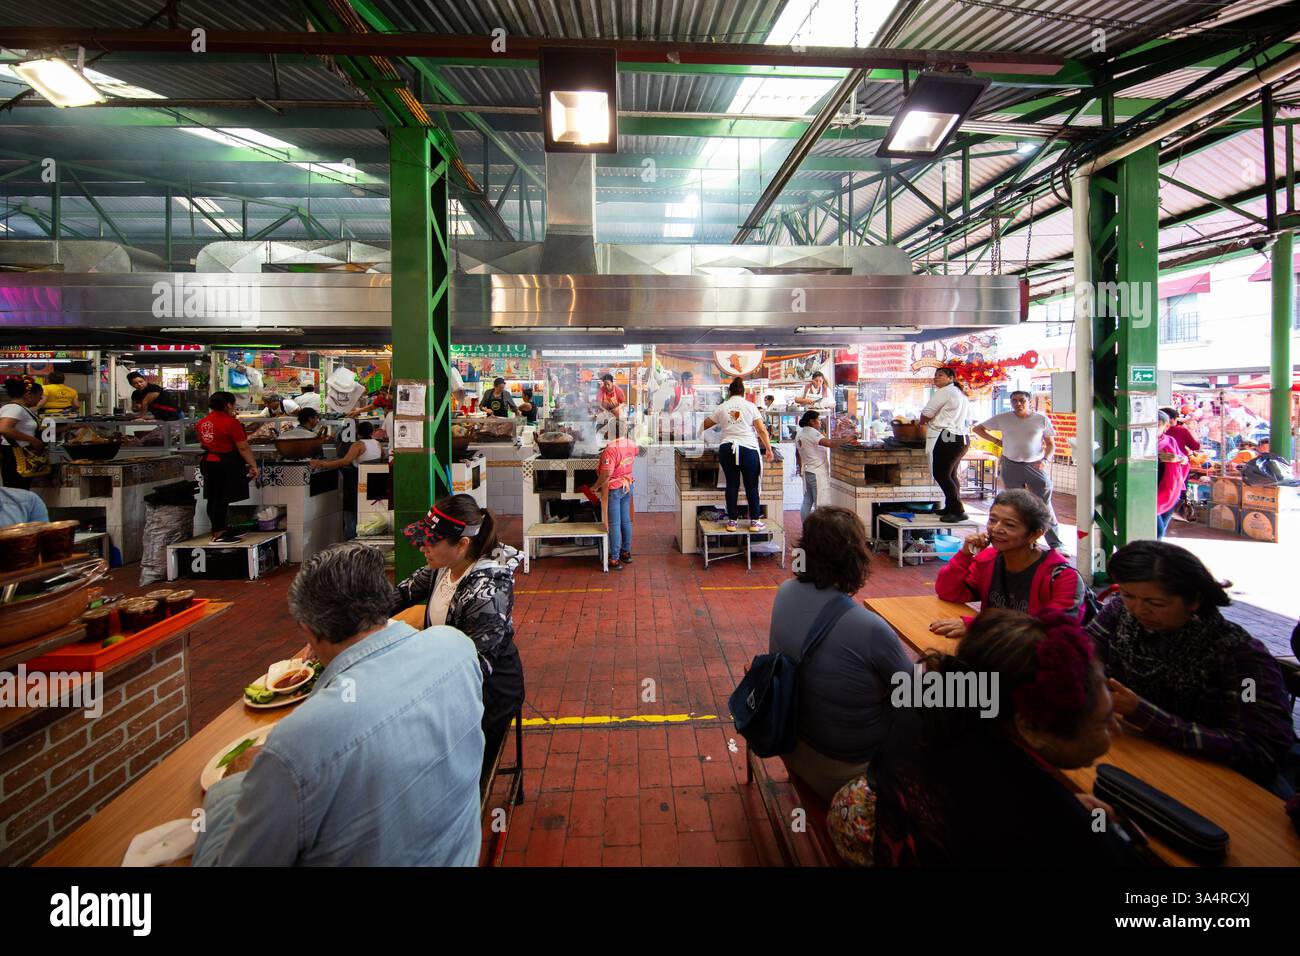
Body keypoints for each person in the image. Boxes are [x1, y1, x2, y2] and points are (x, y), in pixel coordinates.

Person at [193, 542, 485, 865]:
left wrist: (231, 786)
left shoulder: (295, 746)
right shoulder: (456, 648)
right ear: (382, 601)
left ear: (309, 631)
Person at [872, 609, 1142, 866]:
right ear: (1030, 728)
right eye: (1104, 722)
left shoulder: (921, 714)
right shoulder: (1063, 832)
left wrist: (1066, 806)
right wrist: (1093, 821)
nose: (1115, 732)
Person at [1087, 541, 1296, 791]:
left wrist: (1142, 712)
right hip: (1145, 752)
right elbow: (1086, 650)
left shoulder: (1241, 658)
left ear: (1194, 600)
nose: (1138, 609)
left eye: (1156, 603)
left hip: (1223, 782)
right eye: (1128, 595)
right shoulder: (1121, 614)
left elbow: (1259, 751)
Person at [768, 506, 913, 801]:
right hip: (843, 772)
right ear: (855, 557)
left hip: (794, 745)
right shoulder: (870, 628)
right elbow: (916, 694)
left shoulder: (784, 592)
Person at [394, 495, 525, 788]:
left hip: (490, 690)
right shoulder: (442, 565)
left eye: (430, 541)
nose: (422, 547)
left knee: (454, 766)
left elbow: (476, 668)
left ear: (462, 544)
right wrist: (347, 625)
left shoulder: (487, 590)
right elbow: (401, 594)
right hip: (448, 671)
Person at [931, 489, 1085, 638]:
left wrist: (979, 627)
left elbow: (1051, 630)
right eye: (992, 520)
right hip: (994, 650)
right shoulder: (988, 560)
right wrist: (965, 555)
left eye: (1009, 525)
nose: (996, 529)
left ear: (1035, 534)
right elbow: (948, 592)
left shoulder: (1063, 578)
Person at [972, 391, 1063, 550]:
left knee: (1044, 503)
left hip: (1035, 465)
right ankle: (1024, 541)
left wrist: (1045, 460)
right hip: (1010, 464)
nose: (1018, 403)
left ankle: (1056, 544)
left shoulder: (1041, 419)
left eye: (1022, 400)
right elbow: (978, 429)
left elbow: (1050, 444)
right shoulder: (1003, 418)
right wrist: (997, 441)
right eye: (1014, 400)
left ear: (1029, 401)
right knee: (1016, 505)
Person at [702, 377, 774, 533]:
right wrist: (769, 448)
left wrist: (691, 432)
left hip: (727, 448)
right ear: (744, 392)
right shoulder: (750, 406)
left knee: (732, 485)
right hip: (748, 449)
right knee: (751, 486)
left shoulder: (722, 407)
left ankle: (732, 522)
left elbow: (705, 424)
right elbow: (761, 430)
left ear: (729, 392)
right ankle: (755, 522)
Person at [196, 392, 259, 543]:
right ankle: (218, 533)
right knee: (221, 499)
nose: (234, 406)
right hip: (224, 463)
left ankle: (219, 529)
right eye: (233, 404)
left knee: (213, 497)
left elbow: (202, 443)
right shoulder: (231, 423)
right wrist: (253, 464)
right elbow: (243, 447)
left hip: (208, 462)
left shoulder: (202, 422)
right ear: (228, 405)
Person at [309, 421, 385, 539]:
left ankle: (352, 537)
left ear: (358, 433)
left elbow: (345, 461)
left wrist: (322, 464)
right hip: (374, 483)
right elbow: (382, 457)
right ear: (371, 432)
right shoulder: (377, 444)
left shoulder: (358, 445)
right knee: (366, 510)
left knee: (351, 509)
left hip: (357, 481)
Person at [918, 367, 971, 522]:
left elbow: (927, 412)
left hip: (947, 435)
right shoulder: (959, 393)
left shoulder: (945, 391)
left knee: (941, 474)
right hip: (961, 437)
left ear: (951, 378)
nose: (936, 378)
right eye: (935, 375)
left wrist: (921, 424)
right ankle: (951, 506)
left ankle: (957, 510)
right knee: (951, 474)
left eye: (940, 375)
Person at [592, 418, 638, 570]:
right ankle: (626, 552)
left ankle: (615, 558)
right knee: (625, 521)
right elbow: (632, 455)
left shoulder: (610, 449)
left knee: (615, 523)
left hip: (614, 489)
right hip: (627, 485)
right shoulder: (631, 444)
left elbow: (606, 474)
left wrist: (595, 486)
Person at [795, 409, 839, 523]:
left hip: (807, 471)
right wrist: (847, 440)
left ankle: (806, 529)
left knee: (807, 501)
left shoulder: (800, 433)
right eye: (818, 420)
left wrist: (800, 468)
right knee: (820, 505)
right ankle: (819, 532)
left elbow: (797, 454)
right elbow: (830, 443)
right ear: (812, 421)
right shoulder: (812, 433)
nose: (820, 422)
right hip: (816, 473)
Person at [1, 379, 45, 491]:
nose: (40, 399)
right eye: (39, 395)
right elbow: (4, 429)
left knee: (21, 489)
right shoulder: (14, 408)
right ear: (28, 394)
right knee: (17, 490)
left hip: (20, 454)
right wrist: (33, 440)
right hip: (15, 455)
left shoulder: (21, 409)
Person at [1156, 410, 1190, 539]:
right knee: (1158, 531)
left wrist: (1180, 459)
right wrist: (1157, 457)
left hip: (1170, 492)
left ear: (1166, 427)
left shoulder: (1170, 441)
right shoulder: (1141, 443)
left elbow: (1185, 460)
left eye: (1157, 426)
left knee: (1162, 529)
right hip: (1150, 492)